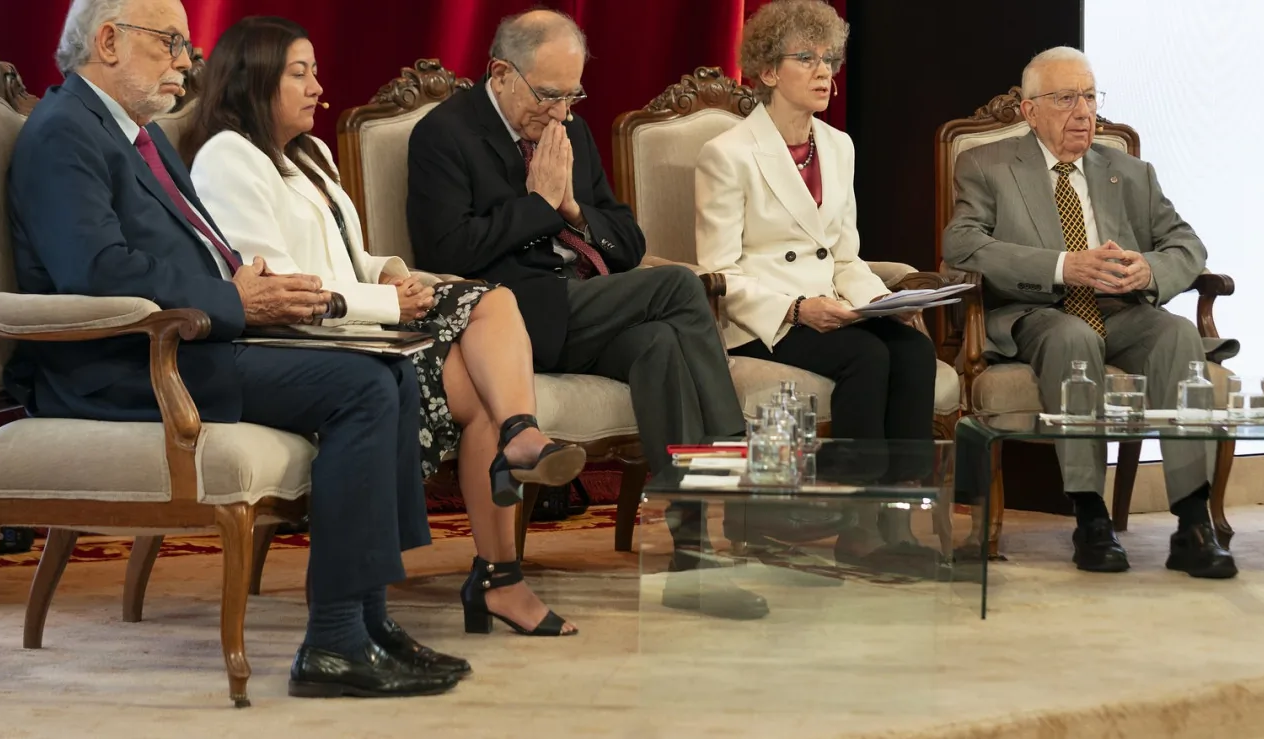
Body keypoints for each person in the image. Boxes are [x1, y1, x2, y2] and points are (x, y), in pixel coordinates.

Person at [7, 0, 467, 698]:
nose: (186, 62)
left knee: (390, 369)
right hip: (123, 366)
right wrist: (236, 301)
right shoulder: (64, 133)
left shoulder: (141, 136)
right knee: (362, 387)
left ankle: (369, 618)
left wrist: (245, 284)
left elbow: (193, 250)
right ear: (107, 41)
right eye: (169, 43)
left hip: (191, 341)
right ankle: (336, 638)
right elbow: (96, 274)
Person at [185, 16, 582, 635]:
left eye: (315, 71)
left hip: (364, 320)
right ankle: (503, 549)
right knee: (482, 363)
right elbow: (284, 288)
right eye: (299, 73)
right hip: (315, 340)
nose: (318, 85)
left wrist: (393, 273)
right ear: (251, 79)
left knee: (491, 318)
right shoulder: (227, 159)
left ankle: (514, 469)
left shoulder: (308, 154)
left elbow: (351, 254)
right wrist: (388, 305)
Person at [405, 10, 764, 619]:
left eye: (573, 93)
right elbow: (448, 252)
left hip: (589, 306)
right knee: (677, 286)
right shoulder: (445, 134)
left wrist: (572, 209)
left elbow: (625, 234)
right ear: (500, 73)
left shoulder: (573, 131)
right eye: (549, 94)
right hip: (513, 326)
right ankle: (733, 459)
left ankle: (695, 558)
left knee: (659, 345)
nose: (562, 111)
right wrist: (541, 206)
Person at [943, 47, 1236, 579]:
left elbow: (1187, 245)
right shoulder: (986, 164)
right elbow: (961, 247)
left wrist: (1148, 270)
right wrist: (1063, 266)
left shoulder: (1130, 171)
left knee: (1174, 335)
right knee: (1073, 339)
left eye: (1090, 96)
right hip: (1037, 311)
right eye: (1065, 99)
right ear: (1031, 111)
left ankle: (1193, 522)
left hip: (1121, 309)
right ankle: (1090, 516)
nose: (1084, 111)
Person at [696, 0, 938, 570]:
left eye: (829, 57)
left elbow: (845, 255)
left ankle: (896, 519)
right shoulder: (727, 154)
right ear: (769, 71)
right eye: (806, 58)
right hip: (764, 318)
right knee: (865, 359)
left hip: (834, 308)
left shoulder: (838, 145)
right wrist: (798, 307)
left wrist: (884, 301)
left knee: (913, 351)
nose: (825, 71)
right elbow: (719, 270)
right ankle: (856, 526)